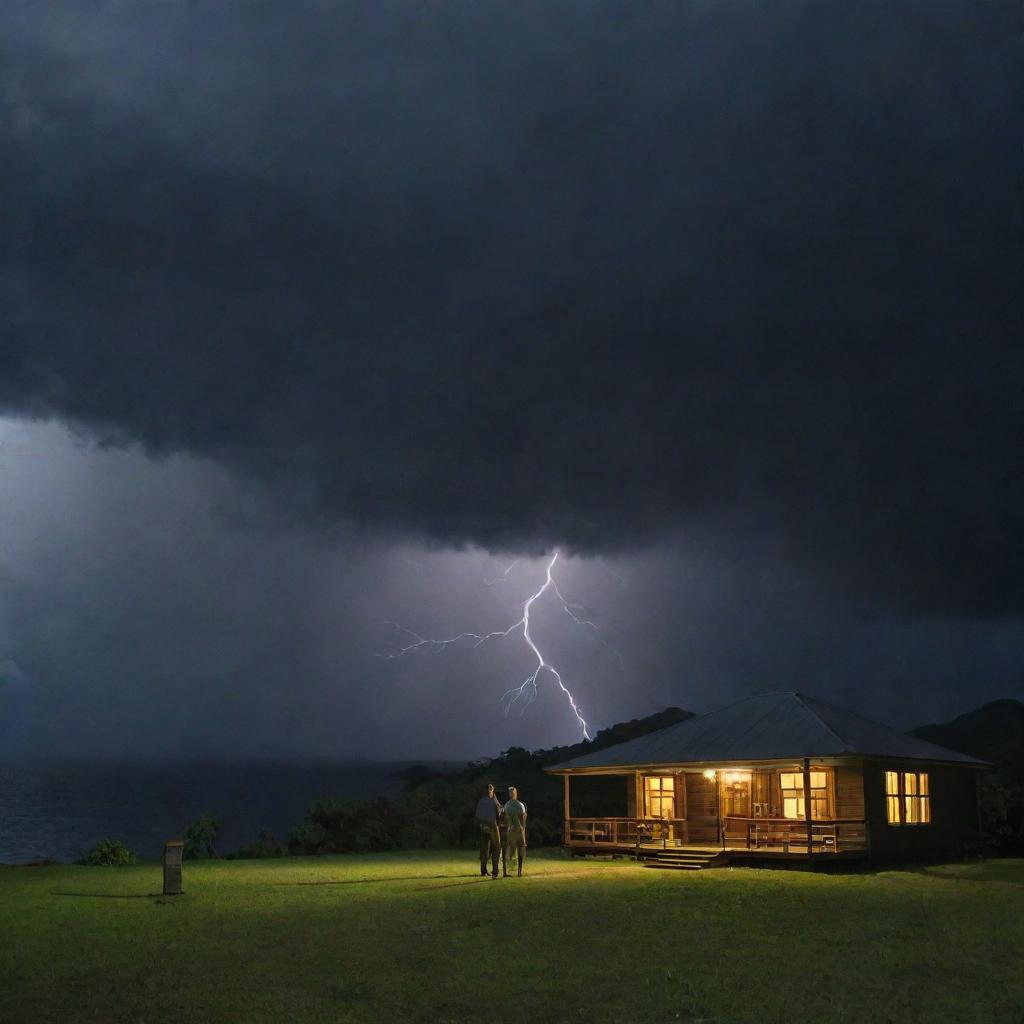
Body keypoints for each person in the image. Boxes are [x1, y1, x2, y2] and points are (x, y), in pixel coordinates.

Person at [475, 783, 503, 879]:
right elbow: (499, 814)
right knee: (496, 848)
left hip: (483, 826)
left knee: (484, 849)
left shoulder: (481, 801)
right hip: (493, 826)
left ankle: (483, 870)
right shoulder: (494, 801)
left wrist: (482, 825)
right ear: (492, 790)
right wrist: (498, 824)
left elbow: (477, 815)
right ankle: (495, 871)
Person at [503, 786, 527, 877]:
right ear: (515, 794)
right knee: (520, 849)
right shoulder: (520, 805)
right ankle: (519, 871)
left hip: (511, 830)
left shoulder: (507, 805)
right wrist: (523, 830)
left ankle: (506, 872)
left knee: (508, 850)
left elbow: (506, 818)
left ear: (509, 794)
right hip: (518, 830)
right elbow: (522, 819)